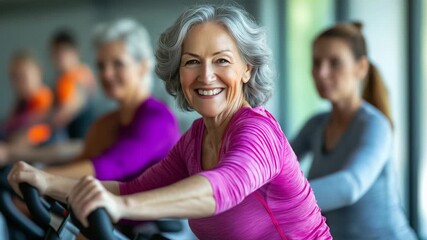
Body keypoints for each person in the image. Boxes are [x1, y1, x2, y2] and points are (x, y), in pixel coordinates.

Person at [8, 5, 331, 239]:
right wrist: (45, 182)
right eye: (192, 62)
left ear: (247, 68)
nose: (206, 75)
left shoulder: (258, 131)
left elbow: (222, 187)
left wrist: (123, 207)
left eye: (222, 60)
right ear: (178, 72)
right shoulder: (196, 137)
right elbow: (130, 188)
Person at [4, 19, 180, 182]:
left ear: (142, 66)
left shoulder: (158, 118)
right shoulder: (105, 124)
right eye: (101, 66)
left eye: (117, 64)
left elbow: (111, 166)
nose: (106, 74)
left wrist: (39, 176)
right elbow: (80, 159)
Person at [291, 23, 417, 239]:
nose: (322, 73)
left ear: (361, 68)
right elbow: (274, 166)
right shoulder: (315, 125)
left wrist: (280, 198)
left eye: (335, 63)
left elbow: (349, 186)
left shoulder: (375, 125)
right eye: (316, 62)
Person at [0, 51, 54, 162]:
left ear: (38, 72)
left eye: (22, 76)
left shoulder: (44, 97)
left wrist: (10, 148)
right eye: (14, 77)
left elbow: (43, 129)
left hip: (37, 152)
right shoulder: (22, 103)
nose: (18, 82)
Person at [50, 29, 97, 140]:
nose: (59, 58)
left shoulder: (82, 77)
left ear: (75, 52)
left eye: (62, 52)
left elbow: (64, 114)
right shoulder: (61, 81)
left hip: (82, 139)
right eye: (55, 53)